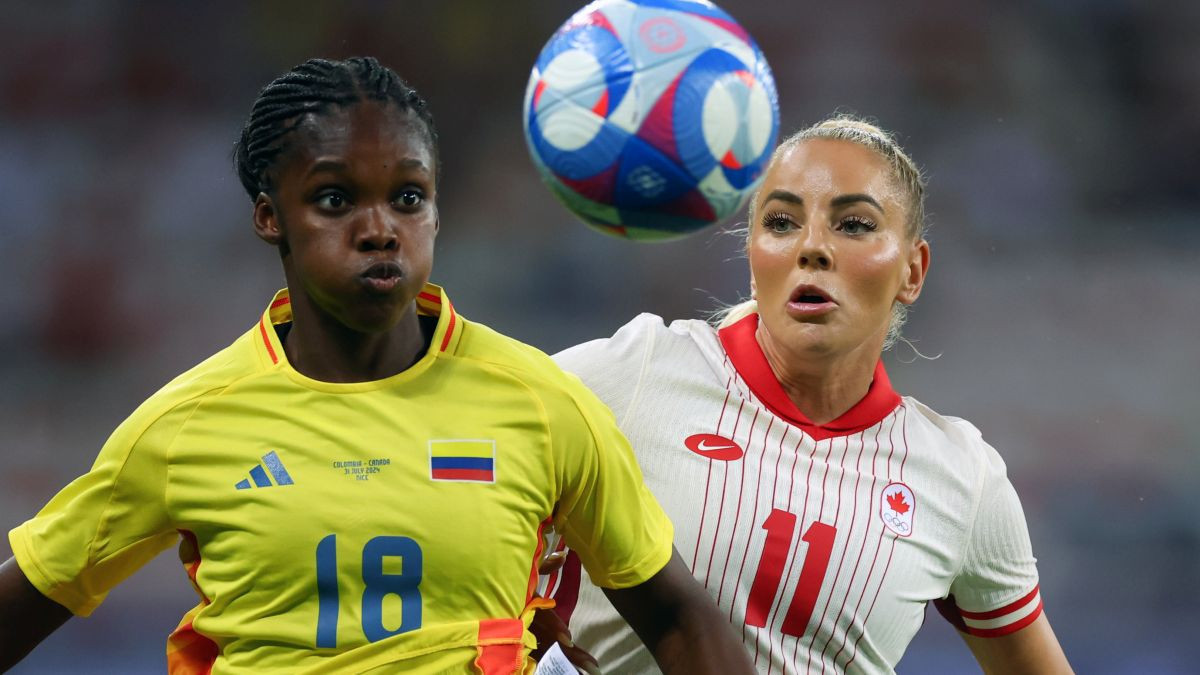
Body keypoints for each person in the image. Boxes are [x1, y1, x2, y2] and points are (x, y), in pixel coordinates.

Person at [0, 57, 755, 675]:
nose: (379, 230)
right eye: (334, 199)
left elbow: (679, 615)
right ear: (271, 217)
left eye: (407, 198)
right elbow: (34, 593)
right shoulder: (185, 424)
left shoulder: (541, 401)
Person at [536, 116, 1073, 673]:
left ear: (912, 271)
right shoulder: (633, 373)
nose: (812, 247)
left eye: (855, 225)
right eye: (782, 221)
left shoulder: (963, 479)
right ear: (752, 259)